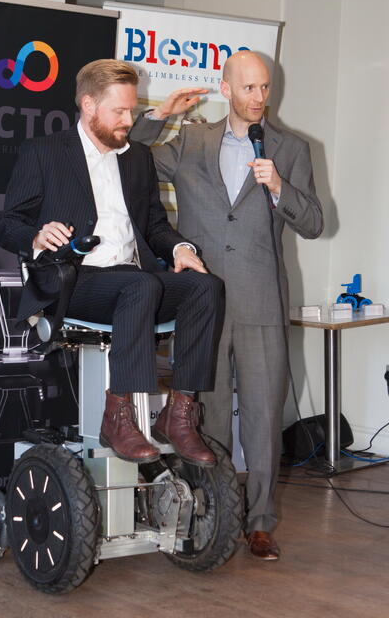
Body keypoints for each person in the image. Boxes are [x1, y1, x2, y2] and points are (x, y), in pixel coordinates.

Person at [130, 50, 323, 560]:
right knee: (206, 417)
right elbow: (131, 156)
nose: (259, 98)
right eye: (250, 88)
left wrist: (280, 187)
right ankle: (214, 511)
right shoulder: (192, 140)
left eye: (265, 88)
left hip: (262, 299)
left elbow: (315, 222)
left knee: (262, 416)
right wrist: (161, 115)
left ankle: (259, 522)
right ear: (225, 86)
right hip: (204, 302)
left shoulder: (292, 148)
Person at [0, 58, 224, 469]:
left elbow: (154, 225)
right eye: (118, 111)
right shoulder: (45, 152)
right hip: (72, 281)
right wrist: (34, 236)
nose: (128, 120)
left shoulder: (136, 157)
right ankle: (118, 418)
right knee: (141, 286)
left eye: (131, 110)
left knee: (206, 287)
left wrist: (178, 249)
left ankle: (180, 414)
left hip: (131, 280)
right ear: (88, 105)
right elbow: (5, 223)